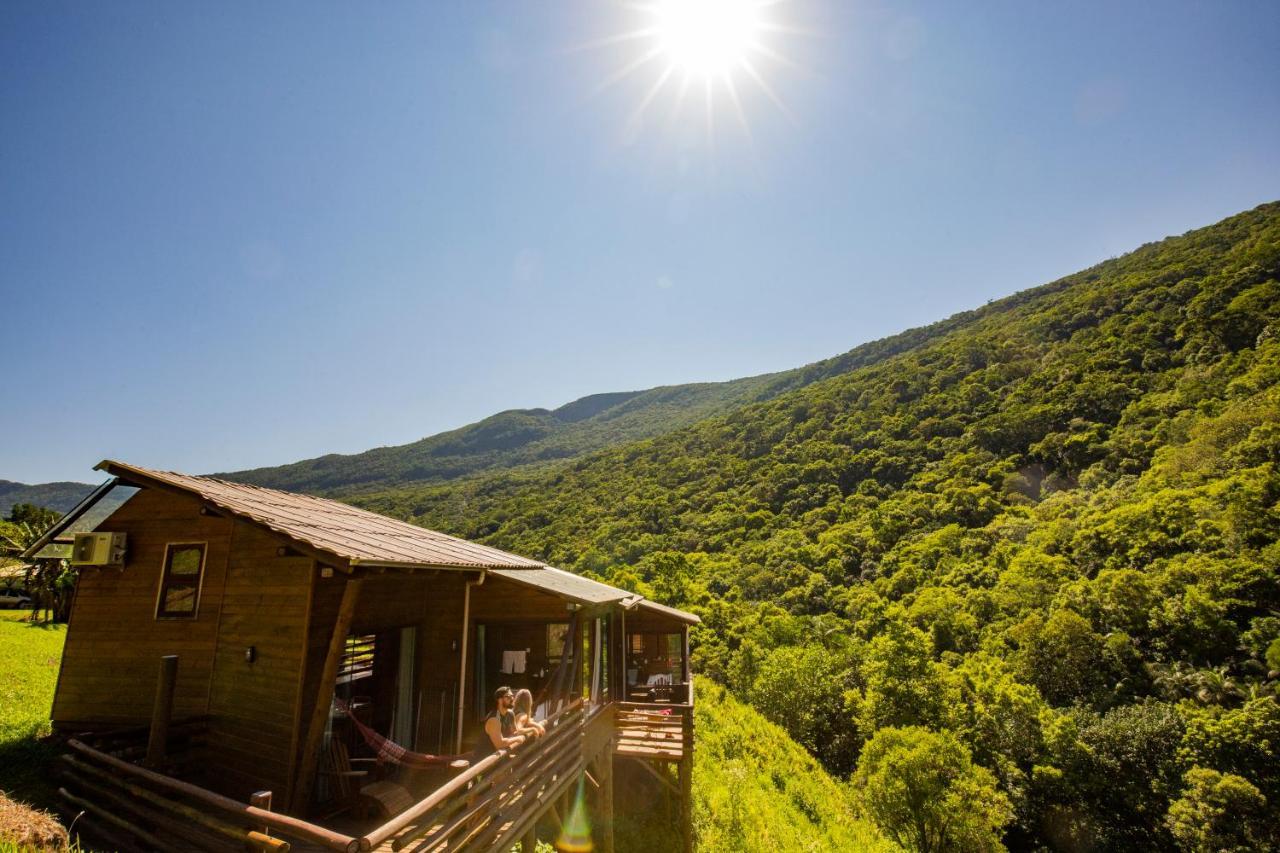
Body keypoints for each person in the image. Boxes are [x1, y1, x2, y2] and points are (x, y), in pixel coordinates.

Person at [473, 685, 526, 759]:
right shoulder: (494, 720)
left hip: (499, 757)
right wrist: (517, 739)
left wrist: (532, 728)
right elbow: (499, 743)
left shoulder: (510, 714)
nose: (512, 699)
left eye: (512, 696)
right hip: (485, 760)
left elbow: (515, 732)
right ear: (500, 700)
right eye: (508, 696)